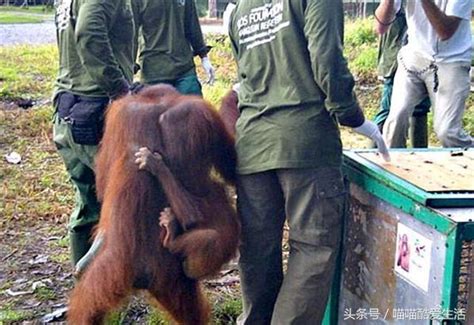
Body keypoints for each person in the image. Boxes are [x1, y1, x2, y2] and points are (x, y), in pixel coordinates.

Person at [228, 1, 390, 324]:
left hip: (252, 147)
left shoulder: (242, 8)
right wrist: (356, 119)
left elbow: (244, 77)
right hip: (305, 144)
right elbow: (327, 61)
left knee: (258, 252)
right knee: (314, 249)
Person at [53, 0, 135, 265]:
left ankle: (88, 288)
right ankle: (110, 282)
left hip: (68, 106)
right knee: (124, 199)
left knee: (89, 202)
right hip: (97, 111)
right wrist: (119, 88)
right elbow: (89, 33)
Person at [376, 0, 473, 148]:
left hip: (452, 60)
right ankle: (390, 167)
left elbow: (444, 31)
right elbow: (380, 27)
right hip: (414, 57)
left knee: (447, 132)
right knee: (395, 121)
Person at [373, 2, 431, 148]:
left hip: (425, 57)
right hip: (396, 58)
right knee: (388, 111)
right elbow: (381, 24)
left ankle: (419, 160)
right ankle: (372, 159)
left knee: (420, 110)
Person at [133, 0, 215, 96]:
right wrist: (130, 65)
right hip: (153, 71)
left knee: (194, 108)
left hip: (184, 68)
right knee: (158, 110)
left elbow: (192, 24)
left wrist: (204, 56)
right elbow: (130, 33)